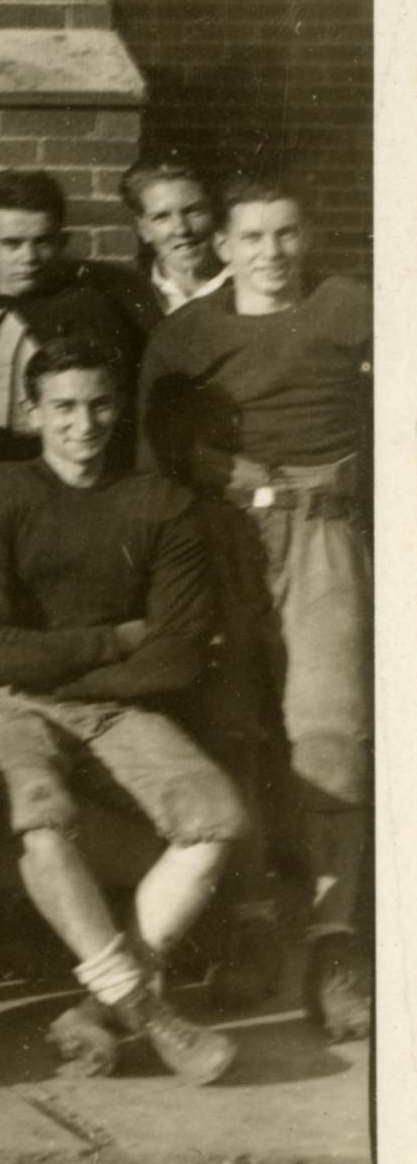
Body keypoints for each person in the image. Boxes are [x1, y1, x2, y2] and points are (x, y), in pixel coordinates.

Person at [0, 337, 252, 1084]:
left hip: (114, 710)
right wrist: (114, 639)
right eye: (63, 407)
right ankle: (149, 1012)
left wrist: (64, 664)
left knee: (216, 817)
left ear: (119, 410)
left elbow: (176, 653)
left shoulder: (160, 503)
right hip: (12, 707)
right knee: (43, 821)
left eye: (98, 405)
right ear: (31, 412)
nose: (83, 424)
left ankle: (102, 1000)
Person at [140, 176, 372, 1042]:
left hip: (324, 533)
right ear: (223, 247)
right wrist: (229, 478)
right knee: (232, 727)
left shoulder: (350, 307)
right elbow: (159, 446)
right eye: (253, 237)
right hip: (229, 541)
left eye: (286, 234)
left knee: (329, 736)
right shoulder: (188, 334)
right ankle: (248, 920)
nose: (271, 254)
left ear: (304, 237)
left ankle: (333, 939)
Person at [0, 170, 153, 471]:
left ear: (62, 242)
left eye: (42, 242)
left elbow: (95, 426)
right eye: (12, 243)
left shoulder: (88, 310)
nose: (29, 257)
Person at [119, 150, 229, 319]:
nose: (181, 229)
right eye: (161, 217)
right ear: (143, 229)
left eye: (193, 211)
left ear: (215, 214)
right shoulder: (127, 302)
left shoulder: (255, 287)